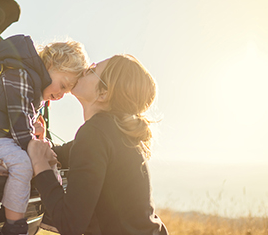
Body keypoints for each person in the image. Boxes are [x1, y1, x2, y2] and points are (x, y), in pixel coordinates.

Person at [0, 34, 89, 235]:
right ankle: (14, 227)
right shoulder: (19, 72)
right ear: (51, 63)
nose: (60, 95)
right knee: (22, 163)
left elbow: (23, 124)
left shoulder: (35, 85)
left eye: (65, 92)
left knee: (48, 159)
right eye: (62, 85)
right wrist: (37, 150)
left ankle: (52, 213)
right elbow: (19, 123)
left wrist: (41, 142)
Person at [28, 54, 169, 235]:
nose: (86, 69)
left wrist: (41, 167)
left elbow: (70, 224)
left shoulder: (96, 133)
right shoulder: (112, 131)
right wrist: (41, 141)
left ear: (103, 93)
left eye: (93, 70)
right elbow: (61, 154)